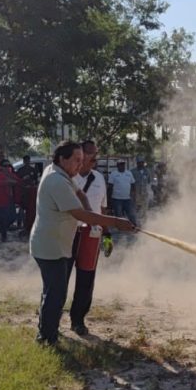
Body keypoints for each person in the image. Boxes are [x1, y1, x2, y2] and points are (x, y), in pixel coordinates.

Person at [30, 141, 135, 346]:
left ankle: (60, 326)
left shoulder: (62, 174)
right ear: (62, 159)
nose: (82, 163)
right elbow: (78, 214)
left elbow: (81, 195)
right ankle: (46, 338)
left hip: (61, 241)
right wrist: (115, 222)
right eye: (77, 160)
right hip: (52, 244)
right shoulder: (57, 180)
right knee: (56, 292)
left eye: (83, 159)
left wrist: (96, 222)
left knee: (63, 287)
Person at [66, 140, 110, 335]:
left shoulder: (99, 178)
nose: (95, 157)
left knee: (86, 278)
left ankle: (78, 320)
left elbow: (103, 208)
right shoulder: (67, 177)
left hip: (91, 234)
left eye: (96, 152)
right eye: (91, 152)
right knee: (61, 276)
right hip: (68, 231)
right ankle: (52, 316)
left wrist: (106, 233)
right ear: (81, 155)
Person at [0, 163, 21, 242]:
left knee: (12, 217)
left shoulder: (11, 174)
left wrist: (13, 181)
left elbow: (18, 181)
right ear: (2, 167)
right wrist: (7, 182)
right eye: (5, 166)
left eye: (8, 166)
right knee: (3, 218)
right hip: (1, 199)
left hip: (10, 199)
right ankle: (3, 236)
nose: (7, 168)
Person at [108, 160, 138, 226]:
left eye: (123, 164)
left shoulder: (129, 173)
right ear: (117, 166)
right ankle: (120, 228)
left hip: (127, 199)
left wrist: (134, 196)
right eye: (121, 164)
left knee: (131, 214)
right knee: (118, 215)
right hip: (116, 199)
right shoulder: (113, 174)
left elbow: (133, 185)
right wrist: (109, 199)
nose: (122, 166)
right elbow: (110, 187)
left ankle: (134, 226)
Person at [17, 155, 39, 237]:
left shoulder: (33, 170)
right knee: (21, 208)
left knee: (31, 209)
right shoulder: (20, 170)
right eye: (26, 161)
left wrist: (33, 184)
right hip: (23, 192)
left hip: (31, 192)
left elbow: (36, 180)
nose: (27, 162)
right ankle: (21, 224)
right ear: (24, 161)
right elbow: (18, 181)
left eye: (28, 161)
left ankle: (29, 225)